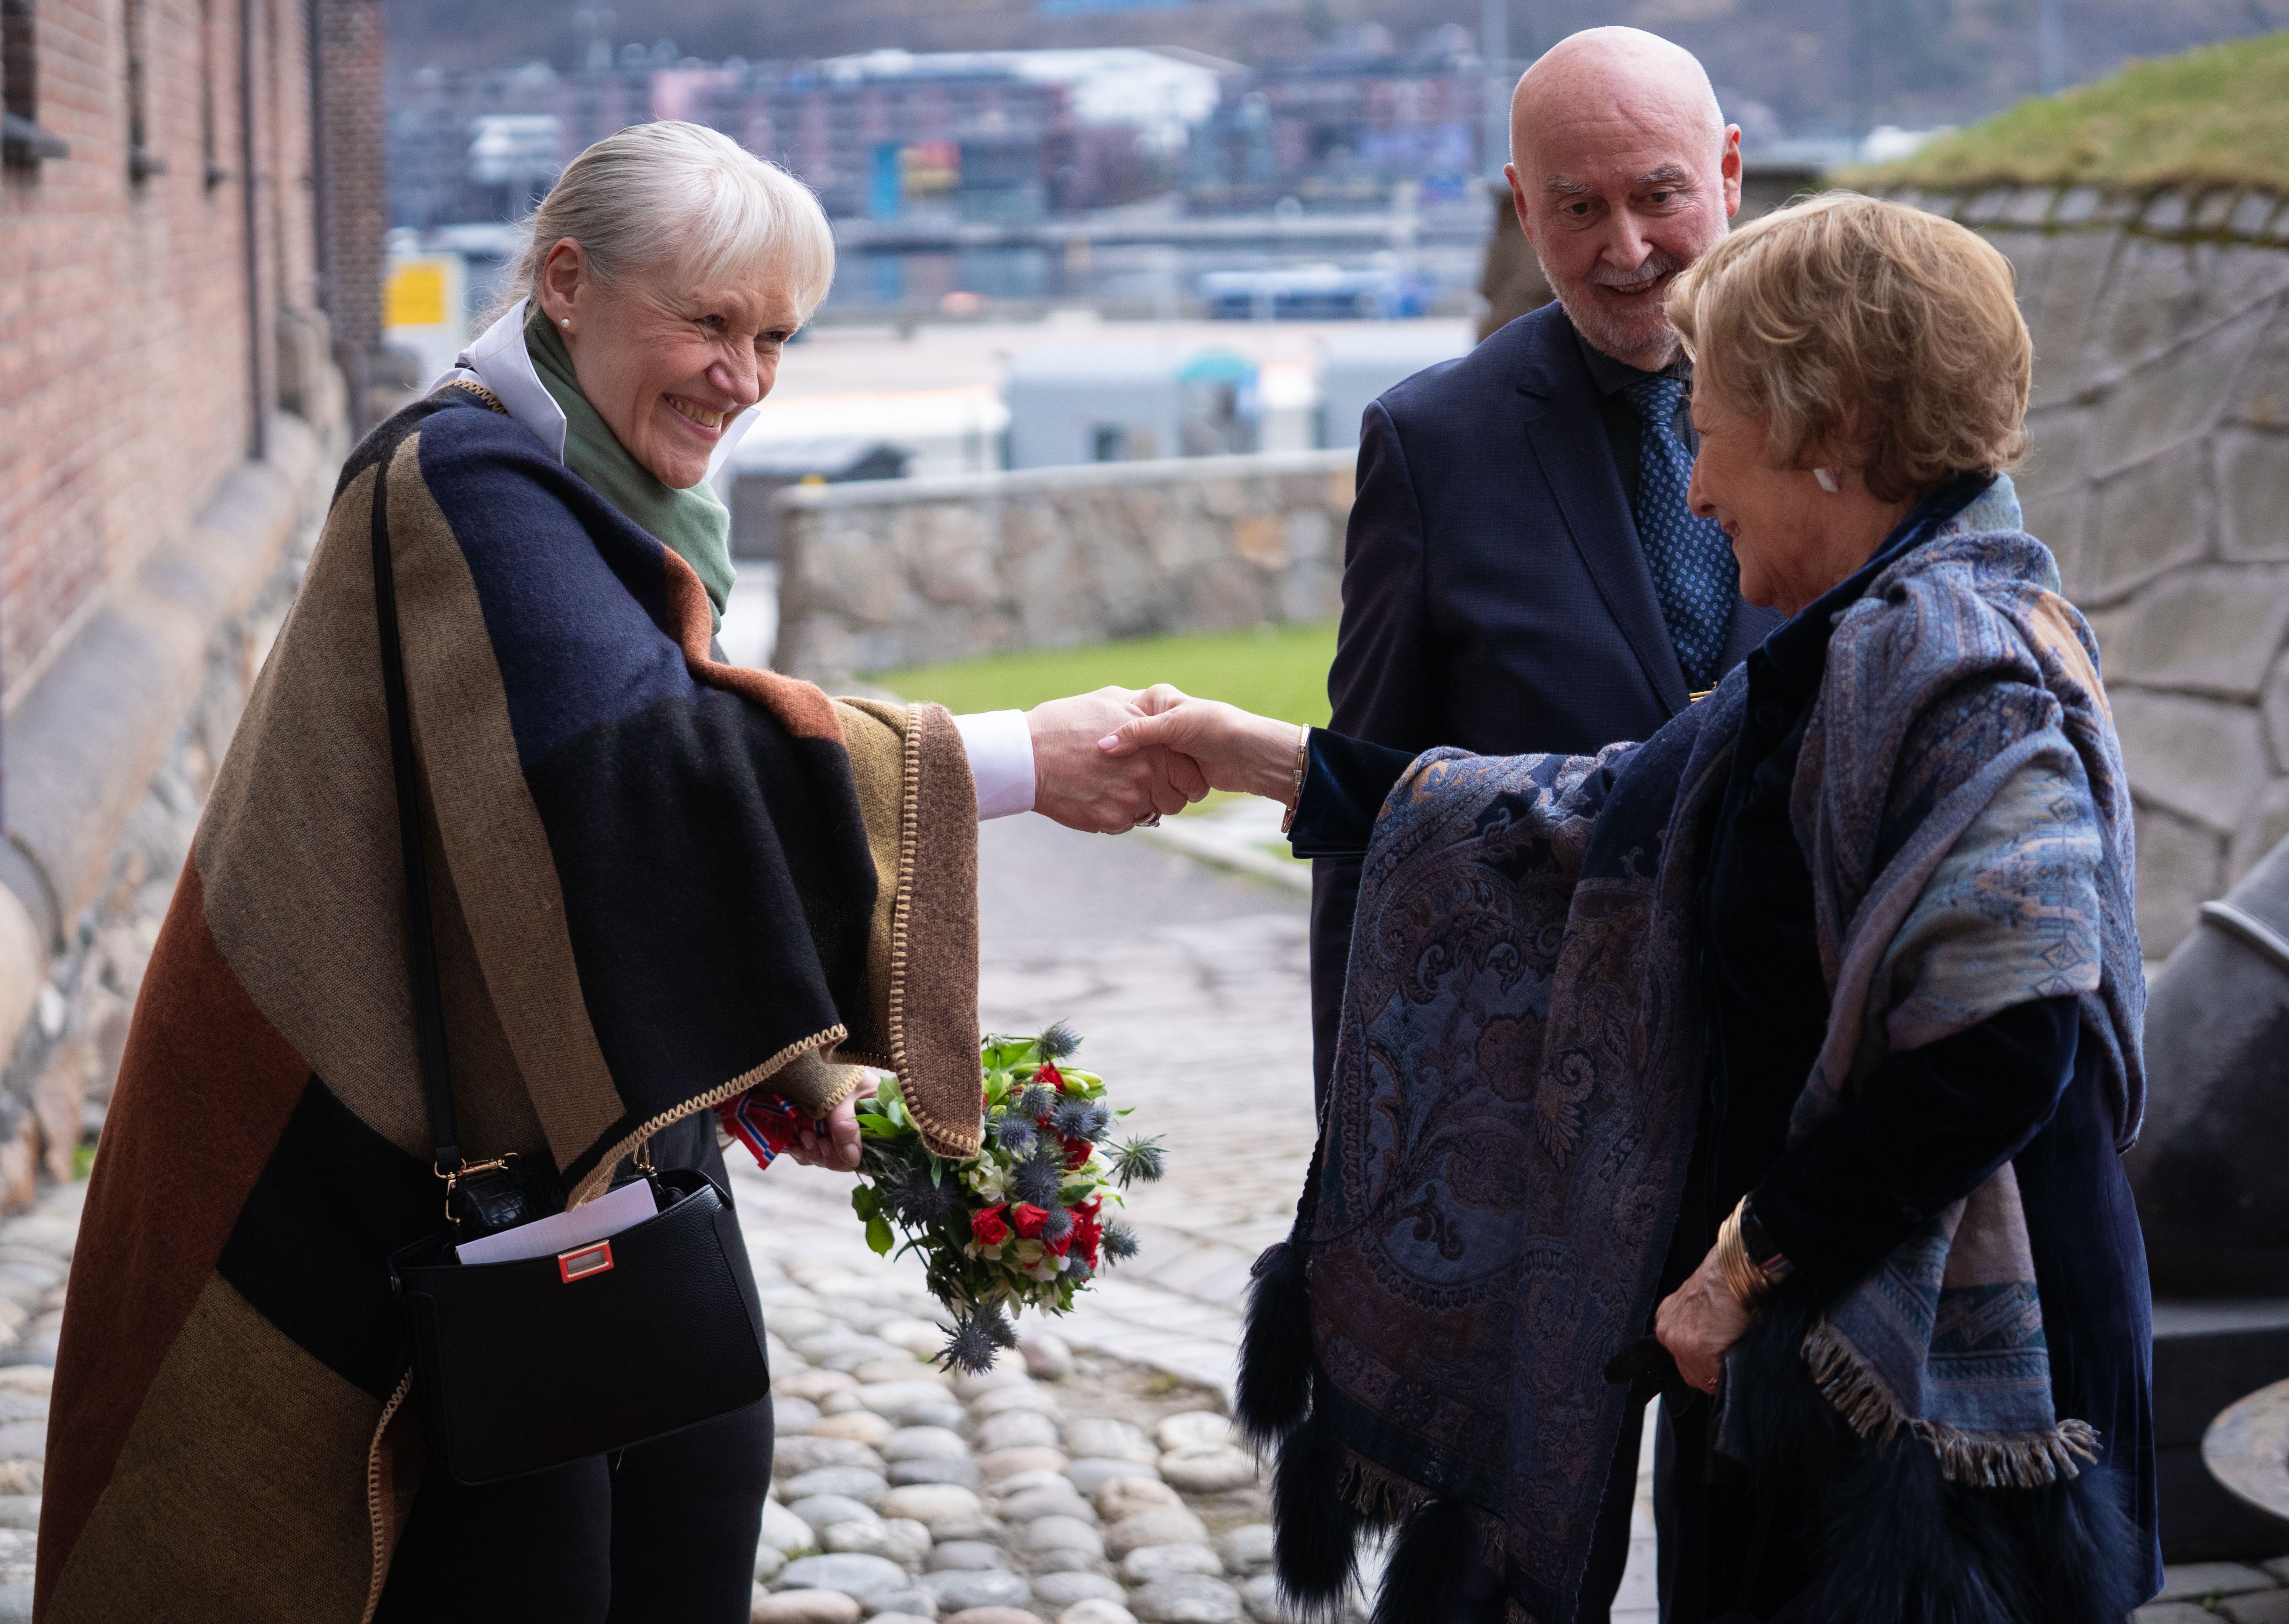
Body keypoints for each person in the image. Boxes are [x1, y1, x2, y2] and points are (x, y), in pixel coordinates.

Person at [37, 122, 1198, 1624]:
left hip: (598, 1212)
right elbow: (640, 781)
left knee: (686, 1523)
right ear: (567, 282)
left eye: (777, 337)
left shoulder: (610, 493)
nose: (747, 378)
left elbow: (564, 876)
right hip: (397, 1214)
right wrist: (1019, 756)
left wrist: (787, 1073)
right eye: (708, 322)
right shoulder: (462, 479)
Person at [1108, 193, 2160, 1624]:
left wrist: (1742, 1263)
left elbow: (2004, 1042)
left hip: (1941, 1406)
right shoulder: (1864, 640)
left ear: (1829, 436)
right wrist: (1275, 763)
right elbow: (1603, 807)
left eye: (1715, 431)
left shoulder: (1959, 670)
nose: (1698, 486)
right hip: (1831, 1368)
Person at [1313, 26, 1779, 1132]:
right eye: (1577, 209)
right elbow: (1367, 810)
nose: (1626, 250)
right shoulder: (1432, 443)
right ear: (1524, 210)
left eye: (1658, 197)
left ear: (1727, 171)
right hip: (1535, 1104)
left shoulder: (1849, 404)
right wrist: (1354, 1141)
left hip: (1801, 1089)